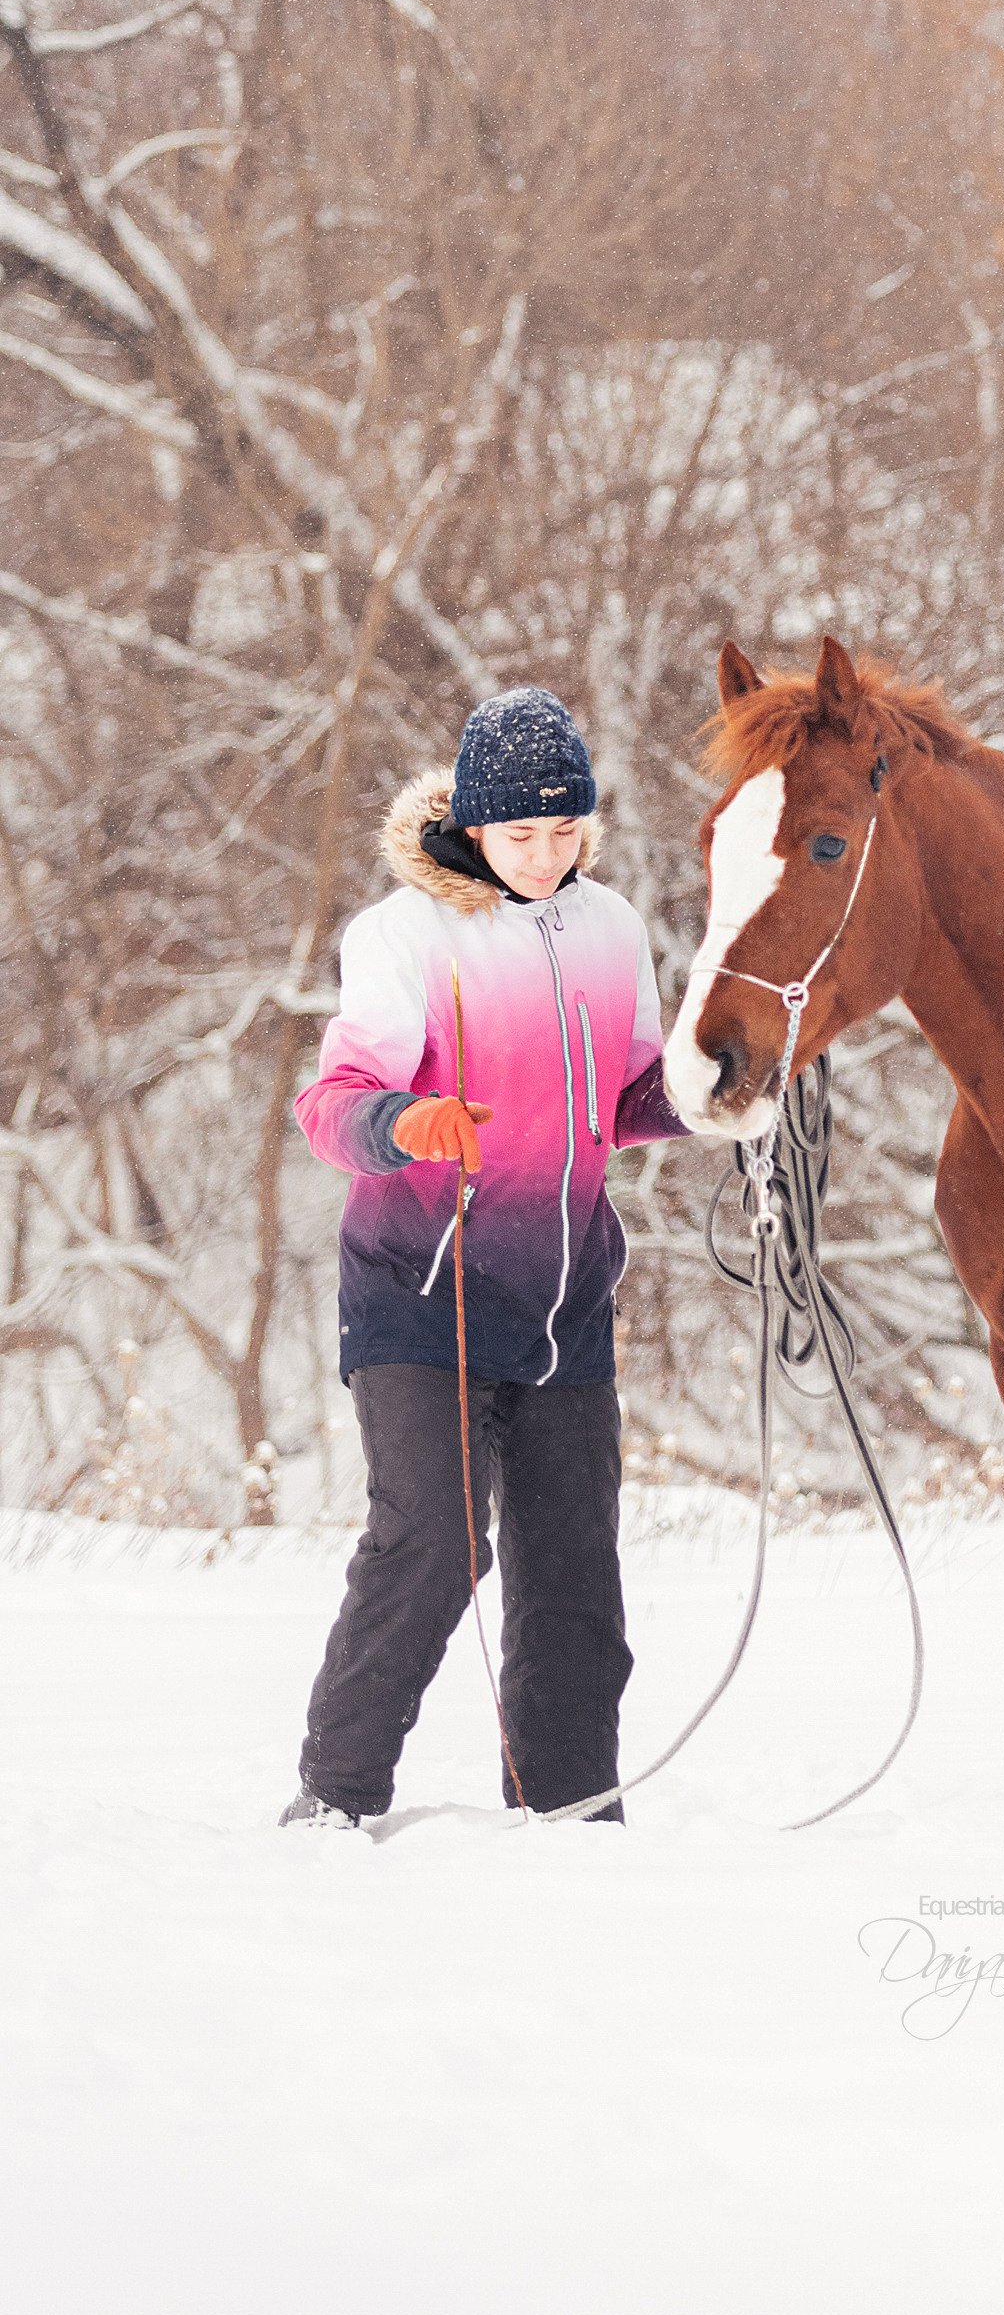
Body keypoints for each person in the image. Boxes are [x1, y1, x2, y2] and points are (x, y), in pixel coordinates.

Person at [282, 688, 685, 1827]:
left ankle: (567, 1807)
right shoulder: (403, 936)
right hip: (422, 1295)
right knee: (436, 1538)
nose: (548, 858)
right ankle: (335, 1795)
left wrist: (719, 1095)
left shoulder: (609, 927)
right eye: (522, 835)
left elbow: (632, 1097)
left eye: (567, 833)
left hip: (567, 1298)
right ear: (472, 823)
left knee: (573, 1567)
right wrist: (404, 1122)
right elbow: (333, 1105)